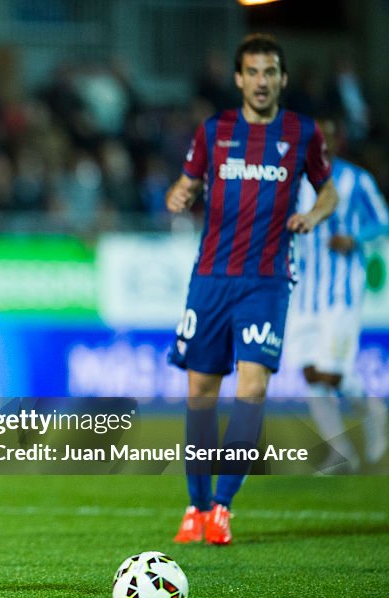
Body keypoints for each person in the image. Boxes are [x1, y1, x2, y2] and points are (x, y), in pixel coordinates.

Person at [165, 34, 338, 545]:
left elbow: (328, 187)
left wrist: (313, 213)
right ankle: (195, 507)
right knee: (199, 391)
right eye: (253, 72)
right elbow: (189, 181)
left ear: (282, 78)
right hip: (212, 278)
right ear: (239, 78)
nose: (262, 81)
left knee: (254, 386)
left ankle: (222, 506)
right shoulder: (215, 131)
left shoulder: (302, 133)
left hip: (266, 280)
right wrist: (180, 192)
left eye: (271, 72)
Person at [285, 116, 389, 472]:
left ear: (338, 141)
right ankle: (341, 452)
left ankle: (374, 410)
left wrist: (355, 239)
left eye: (328, 138)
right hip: (304, 293)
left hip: (341, 292)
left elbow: (383, 219)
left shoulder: (356, 179)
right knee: (311, 373)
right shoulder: (294, 182)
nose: (323, 145)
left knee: (331, 373)